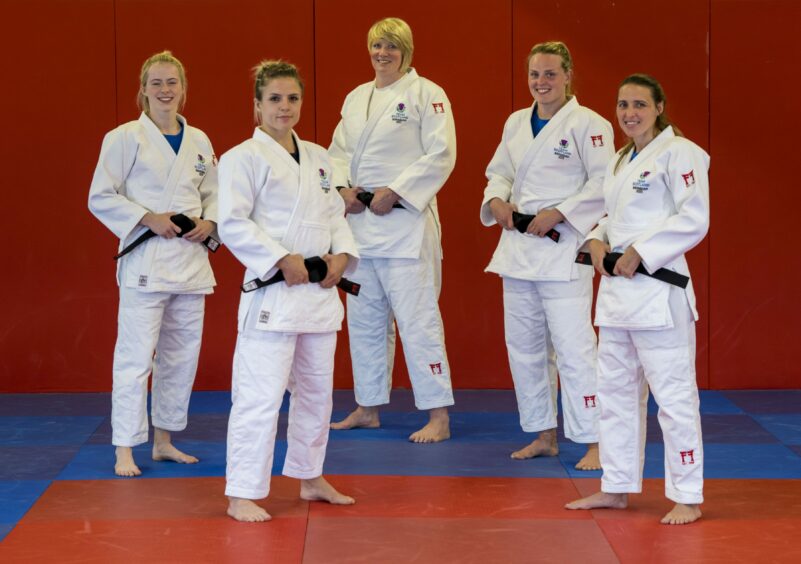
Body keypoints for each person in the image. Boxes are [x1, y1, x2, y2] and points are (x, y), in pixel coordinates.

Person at [218, 61, 359, 522]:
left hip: (318, 294)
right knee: (259, 395)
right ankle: (242, 491)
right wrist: (280, 258)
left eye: (293, 98)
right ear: (257, 105)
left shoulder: (320, 157)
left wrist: (342, 257)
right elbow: (233, 221)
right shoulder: (241, 157)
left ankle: (310, 475)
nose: (285, 107)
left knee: (317, 394)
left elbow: (336, 215)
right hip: (273, 294)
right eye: (275, 98)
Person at [566, 74, 710, 525]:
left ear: (659, 107)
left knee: (674, 398)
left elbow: (695, 218)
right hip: (616, 296)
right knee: (613, 395)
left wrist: (639, 253)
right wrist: (594, 239)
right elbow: (612, 216)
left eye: (639, 105)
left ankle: (687, 496)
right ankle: (616, 485)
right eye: (623, 104)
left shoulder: (679, 153)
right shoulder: (620, 159)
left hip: (658, 292)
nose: (629, 113)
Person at [480, 41, 613, 469]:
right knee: (524, 347)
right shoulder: (517, 122)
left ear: (569, 74)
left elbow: (602, 185)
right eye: (535, 74)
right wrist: (497, 200)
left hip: (562, 249)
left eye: (551, 73)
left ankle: (594, 440)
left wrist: (558, 212)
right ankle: (543, 432)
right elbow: (498, 171)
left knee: (575, 349)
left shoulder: (591, 125)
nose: (542, 82)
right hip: (518, 249)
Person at [88, 51, 217, 477]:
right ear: (143, 90)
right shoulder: (125, 137)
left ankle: (164, 439)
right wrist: (148, 217)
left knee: (180, 357)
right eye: (157, 83)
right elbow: (101, 196)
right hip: (147, 258)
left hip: (191, 261)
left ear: (184, 88)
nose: (165, 90)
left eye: (172, 83)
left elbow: (215, 194)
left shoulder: (199, 139)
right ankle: (125, 446)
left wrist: (210, 221)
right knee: (135, 356)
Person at [329, 17, 456, 443]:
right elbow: (337, 152)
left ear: (407, 51)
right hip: (361, 227)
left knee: (418, 322)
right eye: (377, 45)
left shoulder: (427, 94)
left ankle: (438, 414)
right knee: (364, 321)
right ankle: (368, 406)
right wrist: (342, 188)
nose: (383, 53)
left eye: (392, 46)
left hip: (405, 224)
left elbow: (441, 155)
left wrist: (397, 191)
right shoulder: (355, 97)